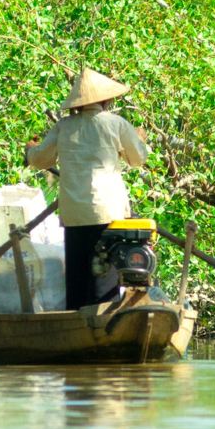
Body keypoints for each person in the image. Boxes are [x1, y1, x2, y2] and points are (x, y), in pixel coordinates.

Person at [24, 68, 150, 312]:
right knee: (104, 274)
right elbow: (137, 159)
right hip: (109, 213)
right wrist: (139, 139)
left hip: (76, 213)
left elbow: (41, 160)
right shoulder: (116, 124)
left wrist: (30, 150)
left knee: (79, 275)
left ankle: (76, 321)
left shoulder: (65, 127)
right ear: (106, 100)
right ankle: (102, 323)